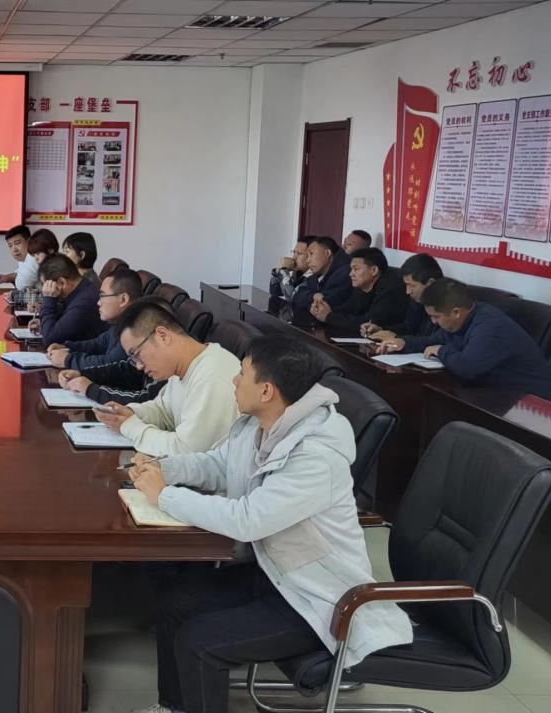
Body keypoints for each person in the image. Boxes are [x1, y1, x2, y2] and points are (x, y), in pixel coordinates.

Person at [130, 334, 412, 713]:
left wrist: (164, 495)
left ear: (266, 391)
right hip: (273, 574)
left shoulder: (315, 456)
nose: (233, 381)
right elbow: (217, 465)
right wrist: (163, 468)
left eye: (242, 374)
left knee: (200, 642)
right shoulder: (258, 424)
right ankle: (173, 707)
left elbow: (248, 520)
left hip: (318, 599)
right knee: (175, 600)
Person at [93, 299, 241, 456]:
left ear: (162, 336)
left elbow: (187, 452)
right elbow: (164, 412)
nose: (139, 366)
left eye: (136, 354)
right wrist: (130, 413)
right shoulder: (182, 368)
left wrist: (130, 427)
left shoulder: (213, 376)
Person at [378, 278, 551, 399]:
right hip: (500, 394)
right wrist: (404, 342)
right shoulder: (464, 318)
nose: (433, 322)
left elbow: (467, 367)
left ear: (456, 312)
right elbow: (434, 340)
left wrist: (442, 351)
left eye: (436, 317)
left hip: (536, 404)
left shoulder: (489, 326)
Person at [50, 269, 152, 405]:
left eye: (102, 296)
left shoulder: (136, 328)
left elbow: (111, 362)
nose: (98, 303)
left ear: (123, 299)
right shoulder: (121, 322)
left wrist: (69, 360)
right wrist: (67, 347)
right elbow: (100, 343)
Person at [310, 247, 408, 331]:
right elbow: (350, 309)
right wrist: (323, 309)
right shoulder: (363, 285)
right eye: (351, 269)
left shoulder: (392, 289)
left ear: (374, 270)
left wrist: (329, 317)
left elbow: (370, 322)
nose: (351, 274)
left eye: (356, 269)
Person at [362, 253, 443, 341]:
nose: (408, 291)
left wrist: (397, 338)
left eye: (412, 286)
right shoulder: (416, 302)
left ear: (430, 283)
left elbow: (433, 341)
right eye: (406, 285)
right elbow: (408, 328)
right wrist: (381, 330)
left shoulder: (446, 307)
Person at [33, 254, 106, 345]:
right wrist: (44, 324)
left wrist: (48, 298)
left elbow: (50, 339)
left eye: (48, 285)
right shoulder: (84, 287)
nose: (46, 290)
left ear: (61, 282)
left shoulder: (84, 302)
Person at [290, 236, 351, 326]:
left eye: (311, 254)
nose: (307, 260)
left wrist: (309, 299)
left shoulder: (345, 273)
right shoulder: (319, 272)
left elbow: (323, 305)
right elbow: (297, 295)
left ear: (327, 253)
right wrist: (313, 296)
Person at [268, 235, 315, 302]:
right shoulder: (298, 272)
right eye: (294, 252)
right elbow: (275, 292)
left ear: (311, 256)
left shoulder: (313, 277)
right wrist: (278, 270)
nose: (294, 257)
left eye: (299, 254)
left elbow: (292, 298)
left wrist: (283, 271)